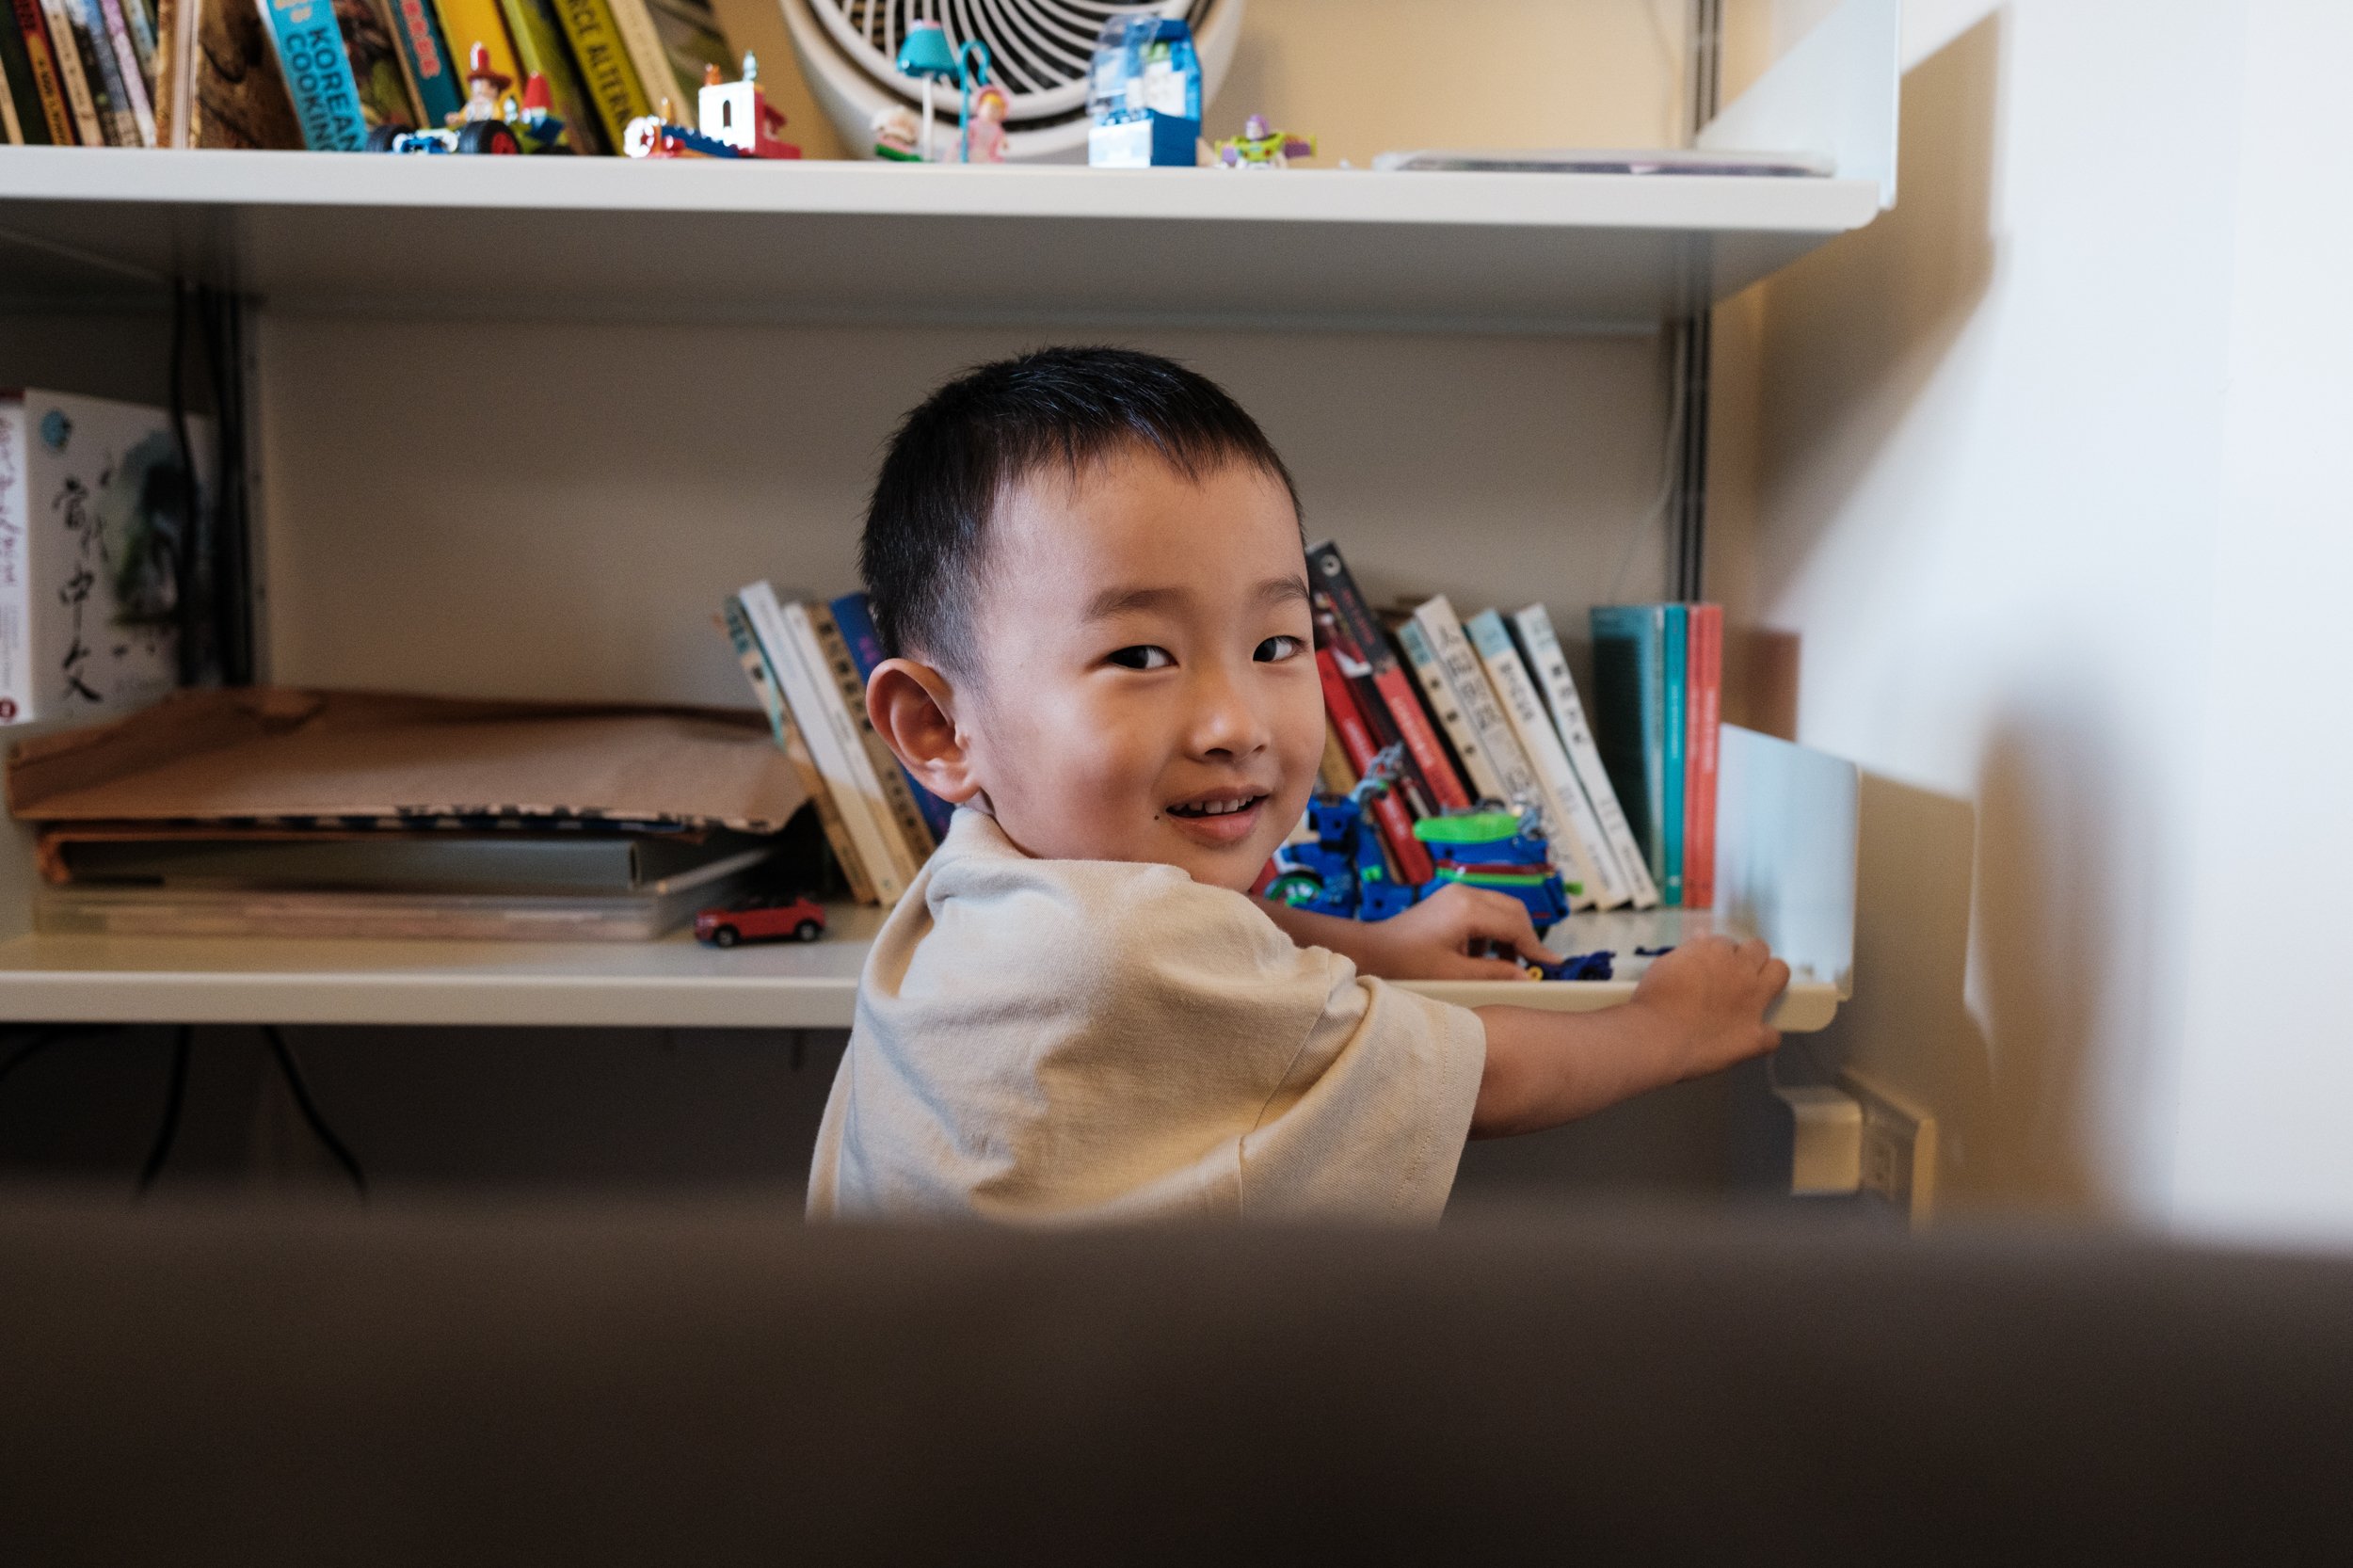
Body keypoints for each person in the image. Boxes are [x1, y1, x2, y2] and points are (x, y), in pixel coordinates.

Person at [808, 347, 1788, 1223]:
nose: (1237, 722)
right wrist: (1668, 1025)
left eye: (1277, 644)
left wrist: (1376, 943)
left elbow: (1199, 932)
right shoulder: (1109, 947)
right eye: (1141, 654)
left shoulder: (975, 886)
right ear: (939, 727)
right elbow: (1481, 1080)